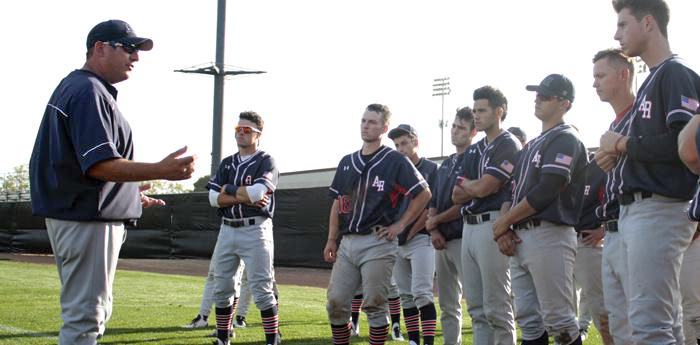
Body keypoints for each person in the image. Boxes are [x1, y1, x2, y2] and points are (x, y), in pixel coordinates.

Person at [28, 19, 196, 345]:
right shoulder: (87, 90)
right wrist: (161, 169)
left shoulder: (80, 88)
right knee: (85, 320)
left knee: (89, 315)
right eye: (129, 48)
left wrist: (129, 193)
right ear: (100, 48)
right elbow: (100, 165)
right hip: (86, 220)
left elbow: (83, 167)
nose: (135, 56)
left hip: (79, 216)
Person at [599, 1, 700, 343]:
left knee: (649, 326)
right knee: (656, 324)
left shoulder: (675, 72)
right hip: (640, 210)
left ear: (647, 24)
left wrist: (623, 145)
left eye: (623, 24)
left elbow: (684, 146)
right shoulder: (654, 78)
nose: (617, 34)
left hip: (660, 207)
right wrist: (622, 154)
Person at [324, 104, 431, 345]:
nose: (365, 125)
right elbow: (337, 203)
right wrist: (332, 238)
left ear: (384, 127)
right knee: (335, 303)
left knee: (374, 305)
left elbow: (424, 193)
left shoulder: (394, 160)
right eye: (363, 120)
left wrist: (400, 225)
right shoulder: (347, 161)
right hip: (348, 241)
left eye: (372, 122)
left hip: (378, 241)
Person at [492, 74, 588, 345]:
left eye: (545, 96)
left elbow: (548, 189)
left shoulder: (566, 138)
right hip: (520, 236)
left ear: (564, 103)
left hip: (550, 234)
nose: (538, 99)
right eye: (537, 95)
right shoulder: (531, 144)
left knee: (560, 322)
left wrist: (504, 222)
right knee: (530, 323)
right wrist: (504, 228)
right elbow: (510, 193)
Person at [452, 86, 520, 345]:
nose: (476, 116)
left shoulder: (508, 143)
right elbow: (455, 196)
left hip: (493, 222)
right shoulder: (474, 149)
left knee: (497, 308)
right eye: (475, 110)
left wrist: (472, 186)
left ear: (499, 112)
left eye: (482, 110)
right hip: (469, 226)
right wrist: (474, 186)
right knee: (477, 310)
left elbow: (484, 187)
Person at [206, 111, 280, 345]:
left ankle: (272, 339)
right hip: (227, 228)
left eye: (247, 130)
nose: (241, 133)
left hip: (255, 229)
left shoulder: (266, 160)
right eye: (238, 129)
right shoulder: (228, 162)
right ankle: (223, 337)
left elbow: (258, 194)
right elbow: (212, 198)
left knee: (261, 288)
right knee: (222, 287)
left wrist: (227, 189)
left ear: (258, 134)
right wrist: (241, 194)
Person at [591, 47, 636, 345]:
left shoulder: (645, 113)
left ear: (623, 75)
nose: (595, 83)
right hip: (613, 229)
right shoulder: (613, 125)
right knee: (619, 324)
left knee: (651, 319)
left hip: (641, 223)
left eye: (600, 75)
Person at [425, 107, 478, 345]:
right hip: (442, 241)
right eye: (454, 126)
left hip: (465, 237)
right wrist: (434, 228)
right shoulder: (445, 164)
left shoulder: (476, 157)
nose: (455, 131)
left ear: (473, 131)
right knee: (447, 304)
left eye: (462, 128)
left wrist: (436, 222)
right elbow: (433, 201)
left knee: (477, 304)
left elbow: (467, 202)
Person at [387, 124, 438, 345]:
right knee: (406, 295)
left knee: (422, 293)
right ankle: (414, 341)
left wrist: (410, 230)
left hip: (422, 239)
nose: (400, 149)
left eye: (404, 143)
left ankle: (427, 342)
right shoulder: (395, 172)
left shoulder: (431, 168)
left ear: (415, 141)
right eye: (396, 145)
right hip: (398, 241)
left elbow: (431, 206)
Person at [572, 149, 613, 345]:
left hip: (587, 242)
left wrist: (603, 229)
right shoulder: (560, 172)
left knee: (602, 312)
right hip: (559, 242)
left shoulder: (598, 168)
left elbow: (617, 200)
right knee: (560, 314)